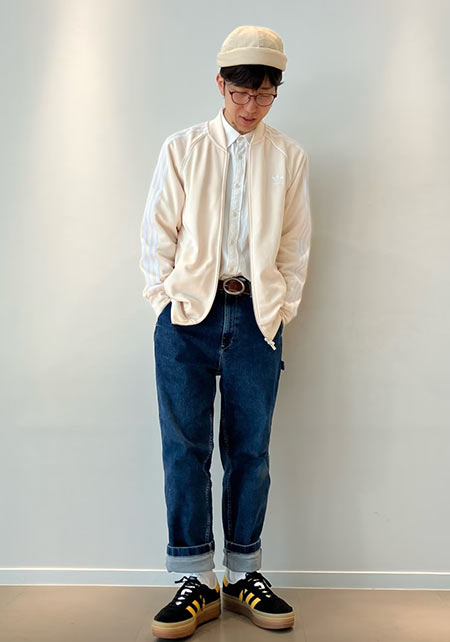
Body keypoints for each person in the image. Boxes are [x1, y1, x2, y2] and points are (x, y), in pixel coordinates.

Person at [139, 24, 312, 639]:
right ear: (220, 84)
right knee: (184, 448)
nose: (251, 106)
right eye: (242, 93)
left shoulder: (288, 156)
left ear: (275, 91)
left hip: (257, 317)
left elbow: (294, 245)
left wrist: (280, 309)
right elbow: (157, 233)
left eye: (264, 95)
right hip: (186, 316)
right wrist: (167, 300)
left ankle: (243, 574)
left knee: (249, 450)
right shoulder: (183, 148)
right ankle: (194, 578)